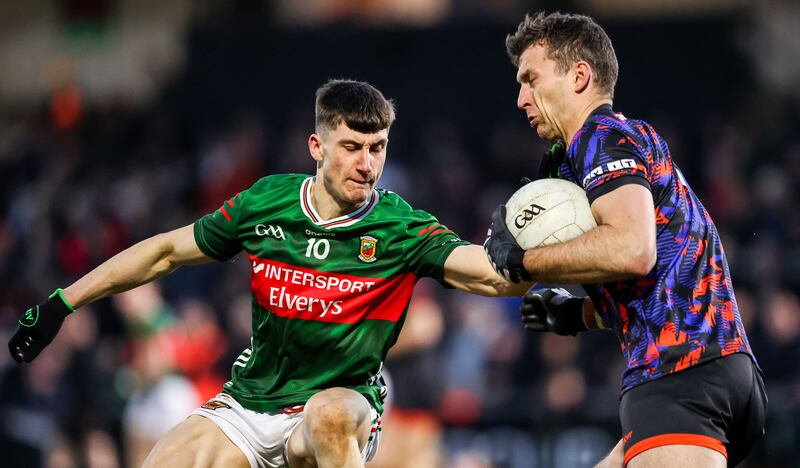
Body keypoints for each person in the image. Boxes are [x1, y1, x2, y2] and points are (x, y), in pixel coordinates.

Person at [9, 79, 531, 468]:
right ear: (317, 147)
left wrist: (527, 260)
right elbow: (165, 251)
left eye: (378, 149)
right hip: (251, 402)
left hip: (341, 405)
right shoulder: (267, 202)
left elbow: (487, 275)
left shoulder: (400, 226)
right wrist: (63, 302)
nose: (367, 165)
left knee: (328, 417)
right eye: (352, 148)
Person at [484, 12, 767, 468]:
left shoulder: (600, 136)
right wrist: (576, 314)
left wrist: (525, 260)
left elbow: (633, 250)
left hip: (679, 375)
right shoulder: (622, 141)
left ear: (579, 76)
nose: (520, 98)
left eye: (531, 79)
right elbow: (660, 278)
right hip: (713, 369)